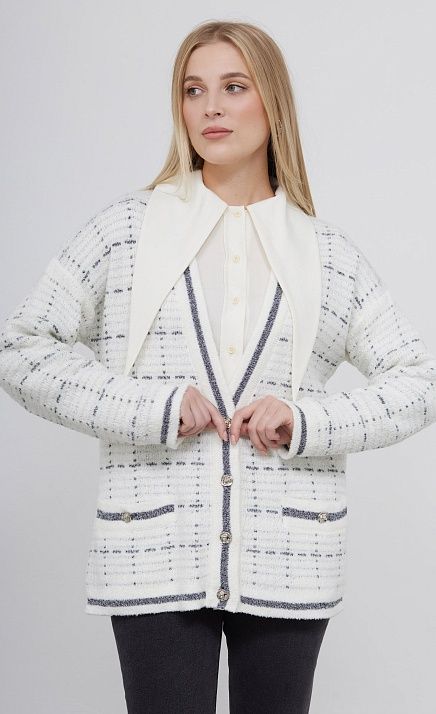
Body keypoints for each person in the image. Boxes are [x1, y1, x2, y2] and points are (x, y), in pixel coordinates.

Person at [1, 19, 435, 714]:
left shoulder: (327, 254)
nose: (210, 108)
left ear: (272, 101)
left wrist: (305, 419)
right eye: (192, 89)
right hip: (153, 545)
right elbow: (23, 348)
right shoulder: (125, 232)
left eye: (234, 87)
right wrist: (151, 407)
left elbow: (418, 383)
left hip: (290, 552)